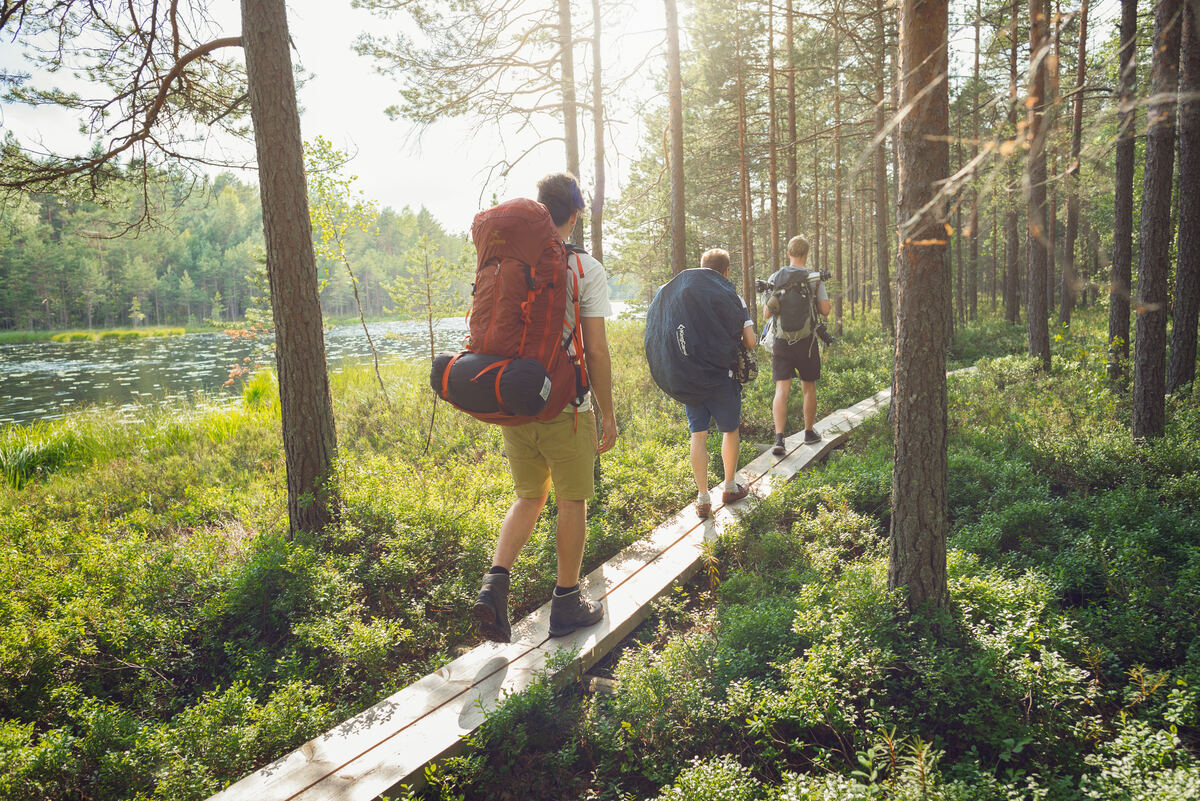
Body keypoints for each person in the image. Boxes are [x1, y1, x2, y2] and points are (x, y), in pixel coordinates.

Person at [473, 172, 618, 643]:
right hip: (565, 406)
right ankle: (567, 602)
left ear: (539, 209)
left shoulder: (511, 260)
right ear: (575, 214)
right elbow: (595, 351)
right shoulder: (585, 268)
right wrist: (607, 412)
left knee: (530, 497)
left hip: (514, 401)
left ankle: (494, 583)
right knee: (571, 500)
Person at [684, 249, 757, 519]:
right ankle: (729, 486)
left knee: (698, 434)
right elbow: (749, 341)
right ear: (726, 272)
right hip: (723, 377)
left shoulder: (685, 296)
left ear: (701, 268)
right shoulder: (732, 297)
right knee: (730, 430)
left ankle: (703, 499)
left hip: (691, 378)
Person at [765, 235, 831, 455]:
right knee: (808, 387)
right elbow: (825, 310)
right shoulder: (814, 278)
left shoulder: (775, 277)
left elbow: (767, 313)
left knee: (781, 390)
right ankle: (809, 432)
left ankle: (779, 439)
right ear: (806, 254)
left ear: (788, 253)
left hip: (782, 342)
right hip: (807, 342)